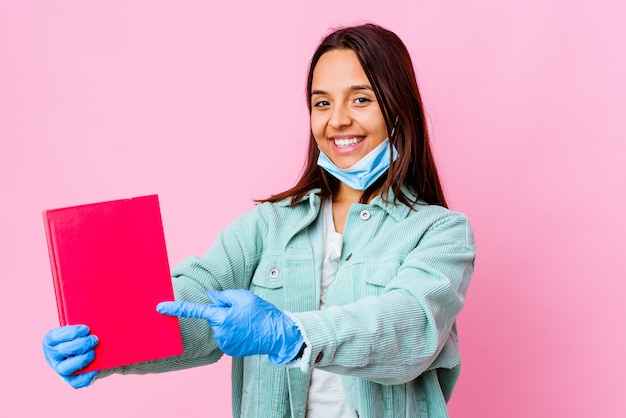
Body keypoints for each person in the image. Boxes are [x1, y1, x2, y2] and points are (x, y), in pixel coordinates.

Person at [42, 23, 476, 418]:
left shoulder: (440, 233)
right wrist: (104, 343)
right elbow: (195, 300)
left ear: (398, 109)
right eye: (321, 102)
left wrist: (290, 334)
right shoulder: (266, 226)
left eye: (360, 99)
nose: (338, 119)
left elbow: (410, 326)